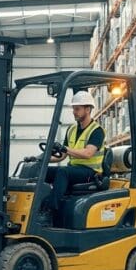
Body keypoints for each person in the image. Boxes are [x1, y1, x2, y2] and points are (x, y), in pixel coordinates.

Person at [39, 91, 106, 225]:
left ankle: (50, 211)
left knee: (63, 172)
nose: (74, 112)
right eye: (73, 109)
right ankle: (37, 206)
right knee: (43, 170)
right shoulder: (71, 130)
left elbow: (88, 154)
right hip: (74, 169)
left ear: (88, 109)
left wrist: (66, 149)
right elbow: (62, 156)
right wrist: (42, 159)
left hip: (90, 172)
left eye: (77, 109)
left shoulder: (97, 130)